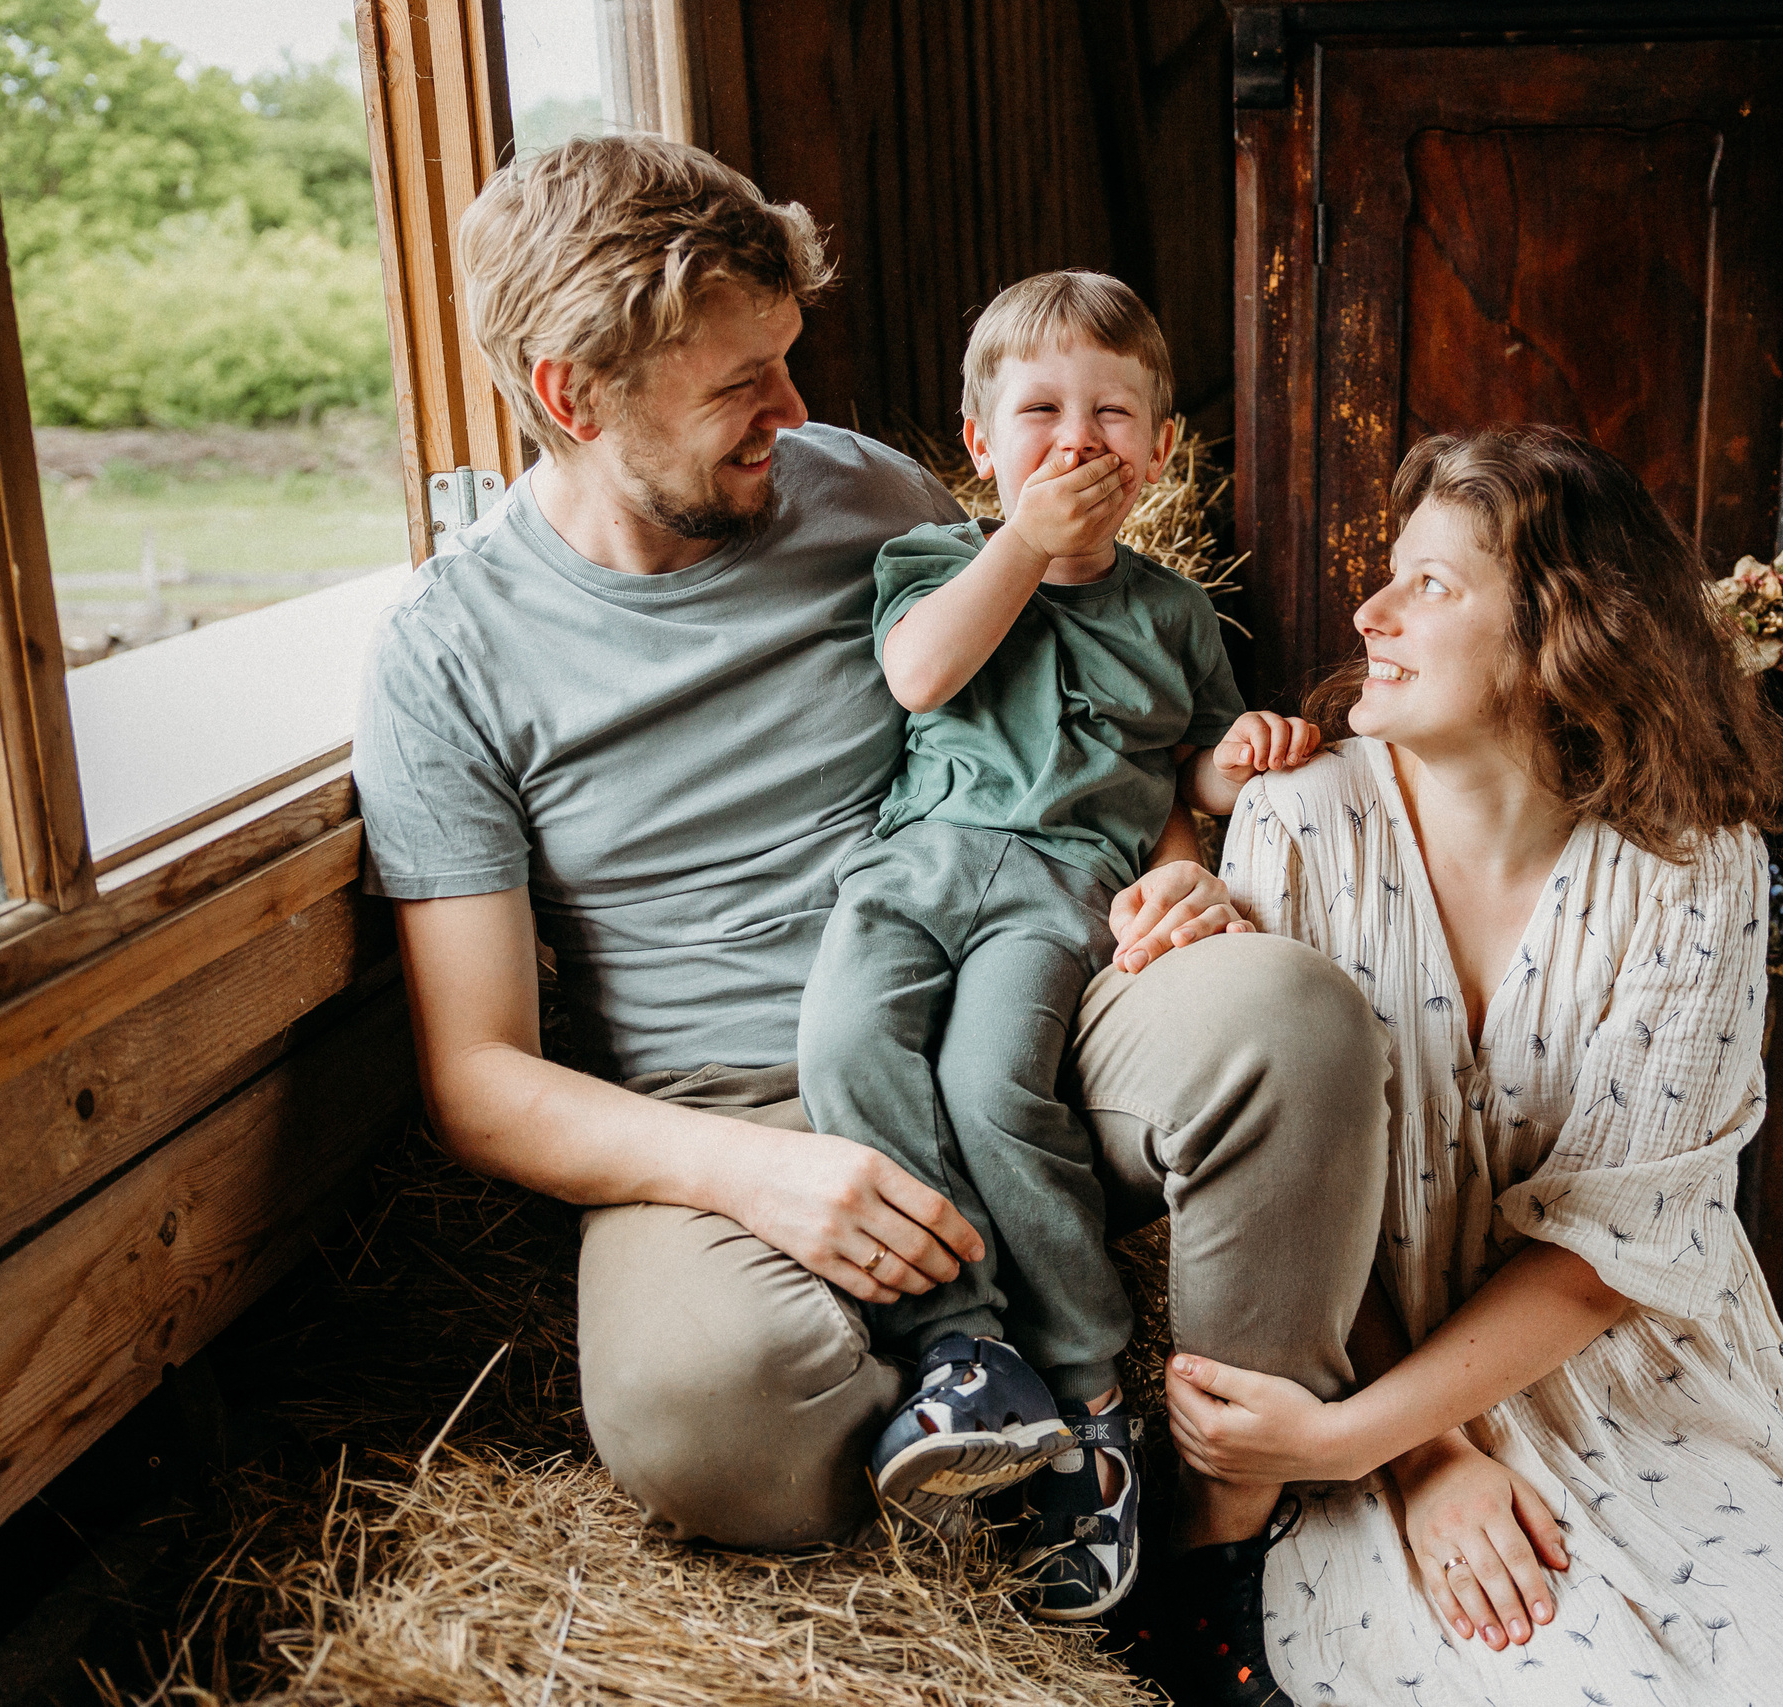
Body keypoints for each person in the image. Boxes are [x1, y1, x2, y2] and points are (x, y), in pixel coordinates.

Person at [349, 131, 1389, 1658]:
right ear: (574, 394)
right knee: (705, 1409)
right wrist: (761, 1180)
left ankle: (1221, 1531)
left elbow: (1085, 722)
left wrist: (1182, 870)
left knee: (1291, 1015)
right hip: (733, 1100)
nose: (794, 409)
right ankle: (1002, 1459)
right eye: (738, 384)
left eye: (788, 360)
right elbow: (481, 1078)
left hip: (1031, 982)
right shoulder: (444, 656)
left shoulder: (862, 494)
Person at [1158, 428, 1783, 1705]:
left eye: (1431, 586)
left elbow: (1606, 1253)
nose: (1369, 609)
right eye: (1389, 576)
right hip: (1368, 1355)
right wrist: (1420, 1459)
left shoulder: (1693, 866)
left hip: (1632, 1376)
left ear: (1568, 634)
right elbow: (1293, 1196)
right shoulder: (1299, 822)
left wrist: (1349, 1443)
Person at [797, 271, 1323, 1620]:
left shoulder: (1174, 612)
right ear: (980, 444)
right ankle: (968, 1352)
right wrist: (1020, 544)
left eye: (1112, 413)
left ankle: (1089, 1389)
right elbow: (922, 674)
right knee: (846, 1044)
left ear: (1158, 452)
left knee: (993, 1085)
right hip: (916, 859)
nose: (1076, 437)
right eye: (1039, 409)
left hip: (1055, 885)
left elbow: (1187, 773)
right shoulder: (935, 561)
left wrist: (1241, 757)